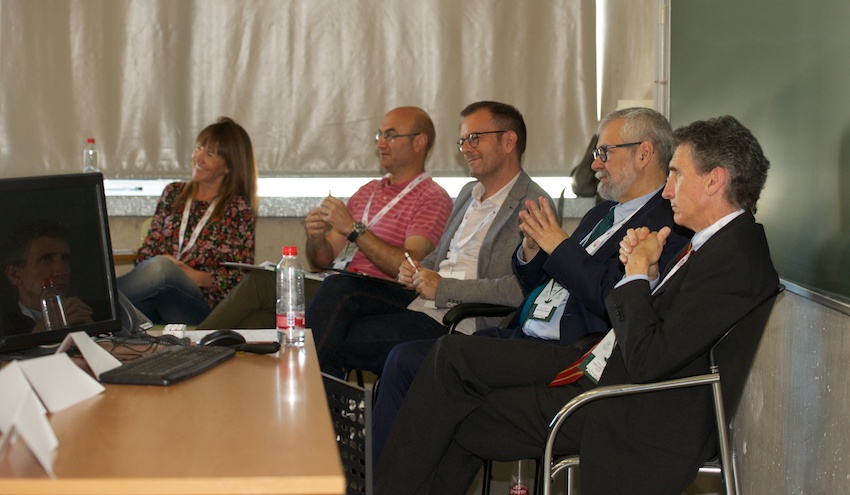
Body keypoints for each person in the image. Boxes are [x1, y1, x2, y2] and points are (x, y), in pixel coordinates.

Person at [375, 115, 780, 495]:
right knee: (457, 396)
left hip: (627, 404)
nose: (669, 188)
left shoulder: (735, 260)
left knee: (461, 393)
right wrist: (650, 276)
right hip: (598, 368)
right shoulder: (713, 245)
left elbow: (648, 358)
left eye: (676, 173)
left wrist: (637, 275)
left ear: (714, 181)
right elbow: (670, 328)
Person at [305, 101, 551, 377]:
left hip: (459, 317)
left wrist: (443, 288)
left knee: (330, 336)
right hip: (423, 300)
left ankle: (297, 397)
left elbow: (520, 289)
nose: (466, 148)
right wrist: (415, 269)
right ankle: (313, 405)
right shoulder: (467, 194)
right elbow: (439, 257)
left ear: (508, 141)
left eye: (474, 138)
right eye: (462, 141)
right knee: (339, 288)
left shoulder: (532, 205)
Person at [196, 106, 453, 329]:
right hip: (336, 284)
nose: (380, 143)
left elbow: (411, 266)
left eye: (390, 135)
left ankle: (187, 346)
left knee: (262, 284)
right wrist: (316, 238)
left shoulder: (431, 197)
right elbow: (323, 258)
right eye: (379, 134)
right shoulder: (367, 191)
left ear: (419, 142)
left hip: (377, 293)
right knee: (256, 323)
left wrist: (354, 229)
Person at [117, 117, 258, 325]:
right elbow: (146, 254)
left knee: (162, 270)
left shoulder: (237, 208)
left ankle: (96, 302)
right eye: (198, 148)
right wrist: (167, 265)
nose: (197, 157)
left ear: (228, 167)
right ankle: (96, 311)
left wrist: (190, 275)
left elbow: (240, 276)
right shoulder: (173, 193)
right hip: (156, 301)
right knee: (124, 314)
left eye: (208, 154)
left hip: (197, 308)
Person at [1, 220, 94, 335]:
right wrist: (37, 336)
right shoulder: (6, 328)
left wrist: (93, 333)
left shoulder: (95, 312)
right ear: (15, 275)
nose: (60, 272)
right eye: (46, 259)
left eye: (64, 259)